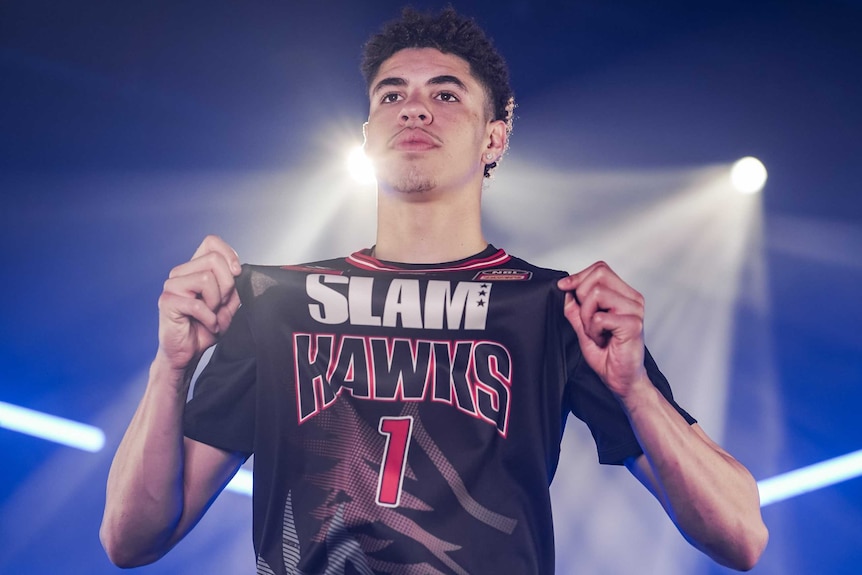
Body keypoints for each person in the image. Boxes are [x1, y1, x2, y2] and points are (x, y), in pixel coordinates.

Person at [100, 7, 768, 574]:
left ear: (495, 136)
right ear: (366, 138)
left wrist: (636, 393)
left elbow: (741, 534)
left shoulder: (556, 310)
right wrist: (171, 367)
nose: (413, 104)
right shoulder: (279, 304)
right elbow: (130, 539)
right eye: (390, 94)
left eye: (446, 93)